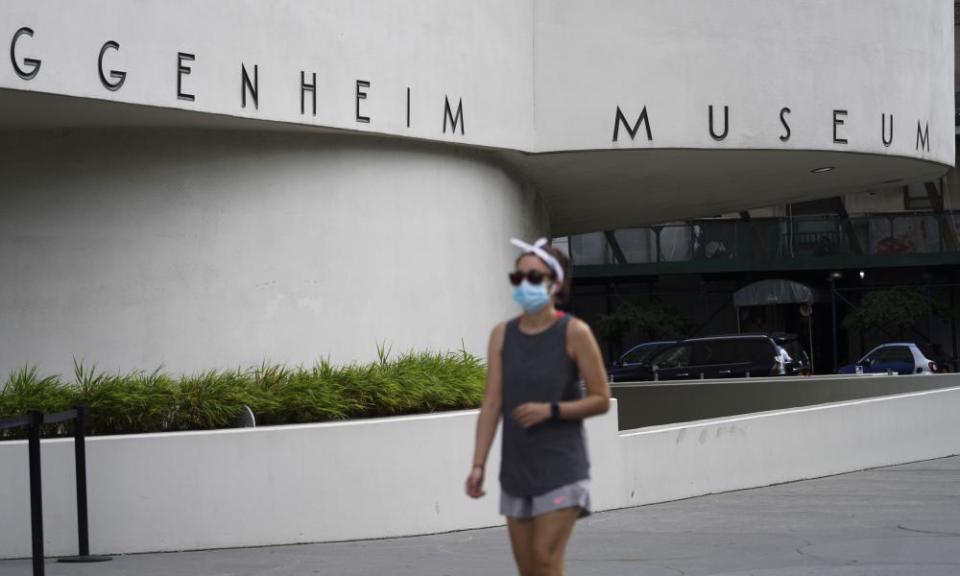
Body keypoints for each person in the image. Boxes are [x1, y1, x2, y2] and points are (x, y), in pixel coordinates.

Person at [465, 237, 611, 576]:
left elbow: (601, 398)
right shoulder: (501, 335)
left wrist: (552, 410)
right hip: (517, 471)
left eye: (534, 277)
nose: (524, 285)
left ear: (555, 283)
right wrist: (477, 465)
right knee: (529, 567)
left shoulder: (575, 332)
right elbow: (491, 403)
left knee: (545, 558)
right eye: (518, 278)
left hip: (562, 468)